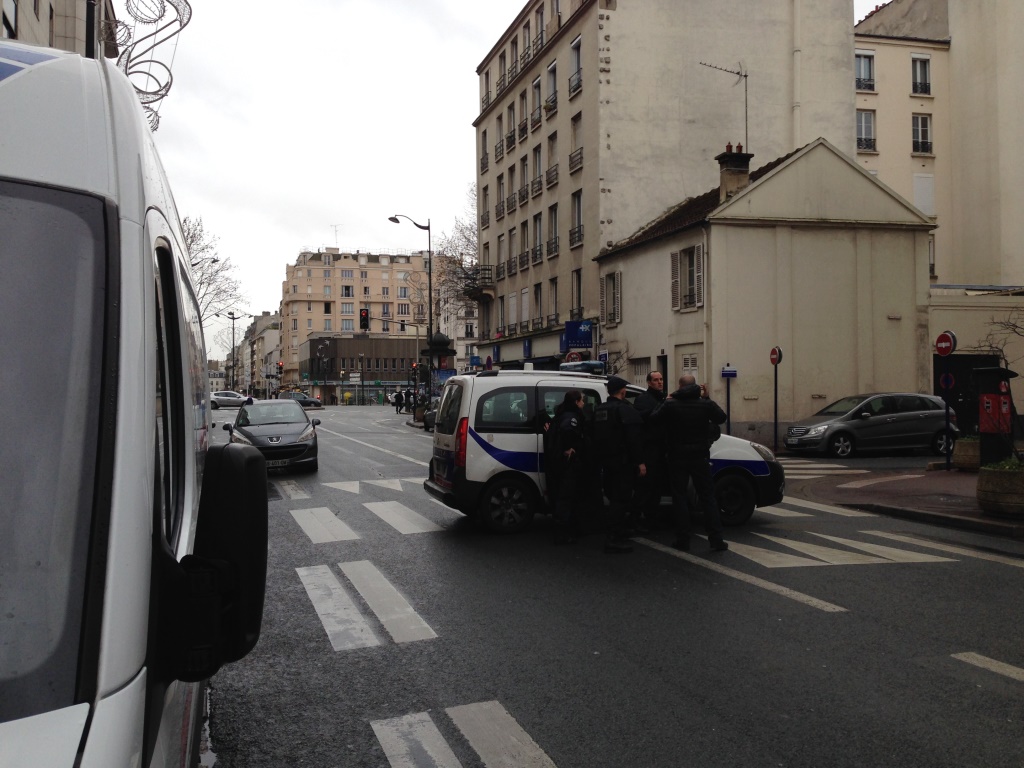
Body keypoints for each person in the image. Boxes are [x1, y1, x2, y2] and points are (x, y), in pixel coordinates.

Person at [654, 374, 729, 552]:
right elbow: (721, 418)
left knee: (679, 497)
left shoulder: (671, 404)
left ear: (680, 386)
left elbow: (654, 418)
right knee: (707, 497)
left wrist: (666, 400)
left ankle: (683, 539)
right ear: (696, 387)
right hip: (700, 456)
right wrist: (707, 398)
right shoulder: (705, 404)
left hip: (677, 456)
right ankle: (716, 539)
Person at [592, 376, 646, 554]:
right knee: (621, 500)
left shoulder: (599, 409)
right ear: (623, 391)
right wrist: (640, 462)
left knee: (614, 497)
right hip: (623, 463)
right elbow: (634, 439)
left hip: (606, 462)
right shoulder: (624, 410)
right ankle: (613, 538)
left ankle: (619, 531)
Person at [545, 390, 588, 545]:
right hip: (567, 464)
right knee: (566, 498)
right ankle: (563, 533)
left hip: (558, 463)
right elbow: (567, 430)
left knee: (562, 497)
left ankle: (564, 530)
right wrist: (569, 448)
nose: (583, 403)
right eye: (582, 400)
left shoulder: (561, 414)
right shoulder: (571, 416)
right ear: (576, 402)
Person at [632, 370, 667, 531]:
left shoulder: (662, 398)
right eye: (656, 380)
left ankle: (651, 519)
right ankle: (636, 519)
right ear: (649, 382)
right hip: (648, 450)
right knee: (645, 488)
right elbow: (643, 418)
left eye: (661, 379)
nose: (660, 382)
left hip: (660, 451)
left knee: (656, 489)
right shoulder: (643, 399)